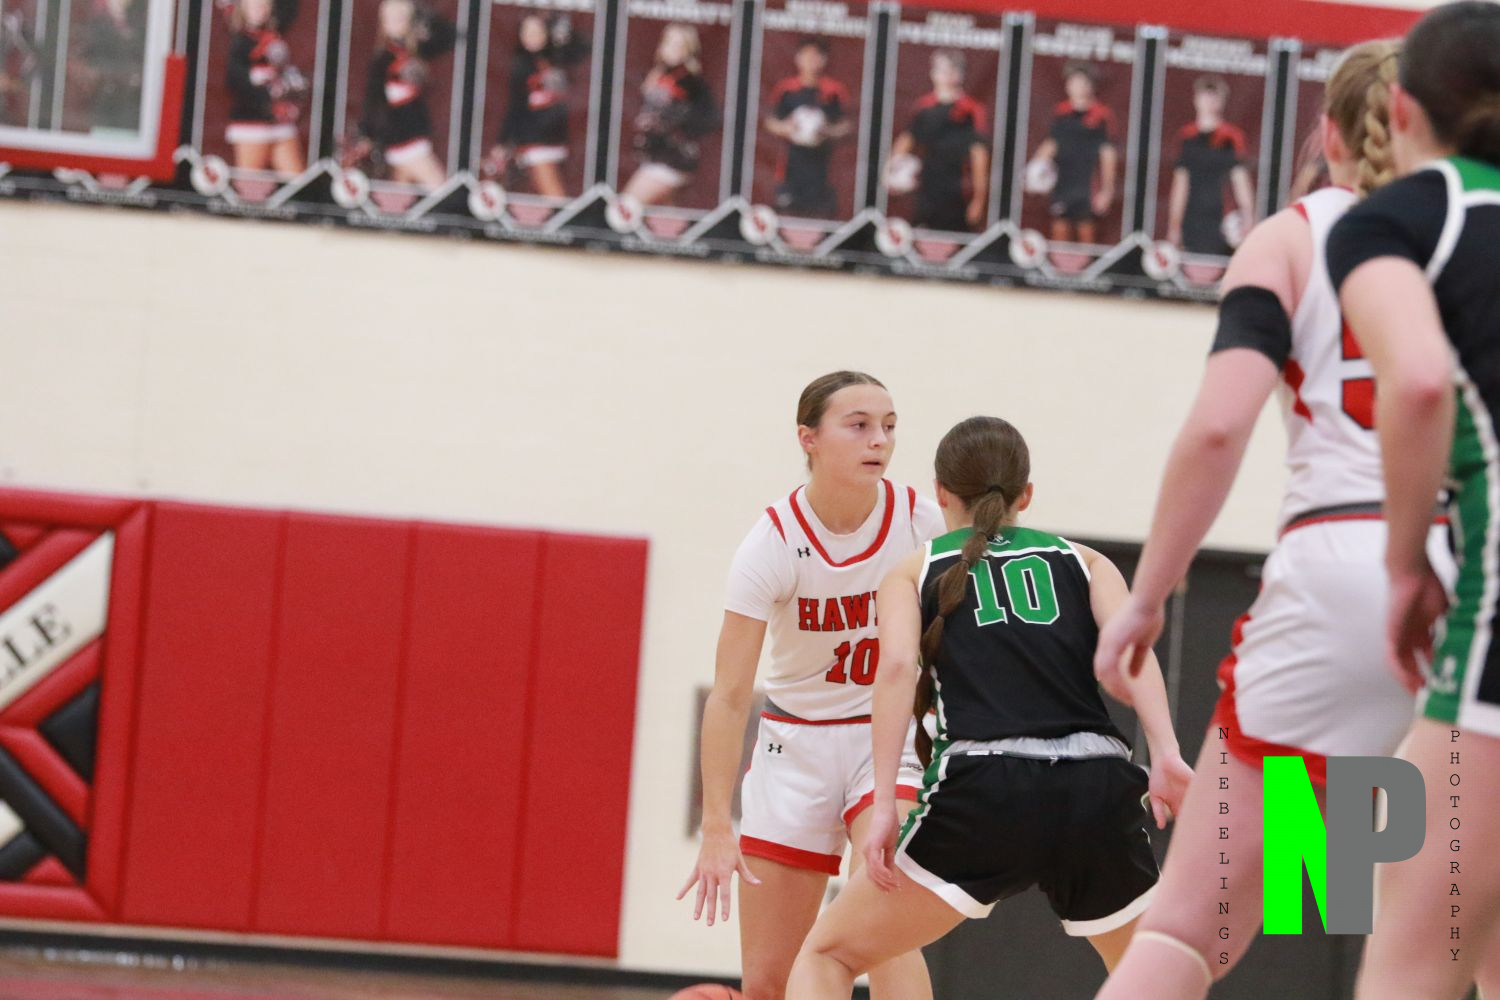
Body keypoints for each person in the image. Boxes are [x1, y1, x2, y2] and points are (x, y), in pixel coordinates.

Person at [1091, 41, 1460, 1000]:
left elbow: (1219, 427)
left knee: (1190, 929)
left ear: (1329, 133)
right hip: (1475, 568)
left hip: (1342, 570)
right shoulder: (1475, 231)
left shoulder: (1291, 237)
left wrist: (1148, 596)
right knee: (1465, 926)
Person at [784, 416, 1193, 999]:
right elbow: (1134, 657)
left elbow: (896, 669)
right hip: (1094, 786)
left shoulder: (913, 569)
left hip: (985, 788)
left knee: (828, 953)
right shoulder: (1086, 561)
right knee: (1152, 981)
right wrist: (1168, 752)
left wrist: (885, 803)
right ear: (1026, 495)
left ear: (941, 493)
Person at [1324, 5, 1500, 997]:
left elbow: (1420, 379)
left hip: (1339, 571)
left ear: (1398, 110)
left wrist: (1405, 563)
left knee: (1404, 953)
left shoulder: (1382, 221)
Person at [679, 371, 941, 1000]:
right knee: (768, 982)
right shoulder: (772, 542)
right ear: (809, 438)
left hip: (888, 737)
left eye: (889, 426)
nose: (879, 440)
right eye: (859, 425)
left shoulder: (919, 522)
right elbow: (730, 695)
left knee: (883, 922)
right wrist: (715, 826)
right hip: (794, 745)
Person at [484, 13, 588, 198]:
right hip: (533, 140)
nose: (532, 36)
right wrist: (502, 142)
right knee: (555, 197)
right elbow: (515, 107)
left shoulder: (557, 57)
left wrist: (564, 32)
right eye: (527, 31)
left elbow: (585, 48)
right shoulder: (519, 65)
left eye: (537, 30)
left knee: (556, 194)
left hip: (557, 138)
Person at [356, 0, 454, 188]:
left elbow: (449, 35)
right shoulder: (382, 58)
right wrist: (367, 134)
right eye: (390, 19)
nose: (396, 23)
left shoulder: (416, 50)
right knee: (440, 188)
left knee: (401, 196)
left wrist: (418, 11)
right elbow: (373, 100)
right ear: (383, 22)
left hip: (414, 133)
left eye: (401, 18)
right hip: (402, 137)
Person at [888, 50, 989, 232]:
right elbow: (907, 139)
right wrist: (889, 172)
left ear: (959, 75)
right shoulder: (924, 106)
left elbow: (979, 155)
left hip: (957, 192)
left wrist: (978, 198)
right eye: (940, 70)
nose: (944, 75)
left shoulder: (972, 109)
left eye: (950, 70)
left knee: (954, 238)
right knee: (921, 236)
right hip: (926, 190)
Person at [622, 22, 719, 207]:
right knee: (663, 215)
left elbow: (710, 118)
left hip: (671, 158)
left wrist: (670, 121)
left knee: (626, 207)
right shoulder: (658, 74)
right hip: (653, 153)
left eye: (680, 45)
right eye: (670, 43)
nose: (673, 49)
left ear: (688, 51)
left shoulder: (691, 80)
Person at [762, 37, 853, 218]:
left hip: (823, 167)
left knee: (821, 215)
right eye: (806, 56)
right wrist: (785, 128)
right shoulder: (786, 89)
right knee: (787, 213)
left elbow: (847, 125)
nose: (811, 61)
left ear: (824, 60)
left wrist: (827, 130)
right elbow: (770, 121)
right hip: (791, 165)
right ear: (798, 59)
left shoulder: (835, 90)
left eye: (815, 56)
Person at [1028, 61, 1118, 244]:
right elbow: (1052, 143)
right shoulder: (1061, 112)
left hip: (1088, 184)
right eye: (1073, 82)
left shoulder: (1102, 115)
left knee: (1086, 232)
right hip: (1063, 181)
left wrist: (1107, 189)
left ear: (1091, 86)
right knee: (1059, 229)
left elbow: (1108, 154)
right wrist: (1032, 171)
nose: (1077, 87)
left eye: (1082, 82)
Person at [1166, 75, 1254, 255]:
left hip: (1223, 220)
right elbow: (1180, 185)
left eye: (1214, 97)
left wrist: (1249, 217)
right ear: (1196, 100)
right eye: (1205, 96)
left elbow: (1241, 181)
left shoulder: (1232, 137)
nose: (1209, 102)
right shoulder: (1186, 137)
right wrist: (1174, 226)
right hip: (1193, 218)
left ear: (1222, 101)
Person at [225, 0, 307, 174]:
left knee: (296, 178)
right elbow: (234, 80)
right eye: (254, 6)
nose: (260, 10)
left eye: (264, 5)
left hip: (280, 120)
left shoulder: (276, 34)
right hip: (252, 121)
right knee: (252, 182)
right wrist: (266, 93)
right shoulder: (240, 40)